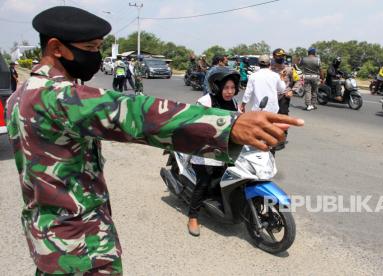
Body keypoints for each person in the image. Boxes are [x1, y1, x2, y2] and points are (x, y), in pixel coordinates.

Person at [5, 6, 303, 275]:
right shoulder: (58, 98)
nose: (95, 56)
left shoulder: (21, 94)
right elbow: (135, 113)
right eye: (90, 48)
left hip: (48, 237)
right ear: (56, 48)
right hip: (80, 249)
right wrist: (230, 127)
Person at [188, 70, 241, 236]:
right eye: (226, 87)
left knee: (229, 177)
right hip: (204, 150)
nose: (230, 91)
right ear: (217, 87)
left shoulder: (234, 102)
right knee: (203, 182)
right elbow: (195, 123)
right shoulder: (206, 100)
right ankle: (193, 217)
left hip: (224, 150)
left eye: (233, 87)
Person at [271, 48, 301, 150]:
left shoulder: (289, 69)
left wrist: (292, 91)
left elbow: (298, 81)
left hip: (284, 97)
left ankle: (281, 140)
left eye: (283, 56)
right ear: (274, 56)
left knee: (283, 118)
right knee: (270, 118)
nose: (281, 58)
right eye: (279, 56)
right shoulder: (269, 69)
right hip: (271, 97)